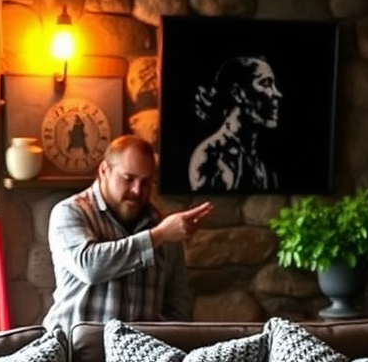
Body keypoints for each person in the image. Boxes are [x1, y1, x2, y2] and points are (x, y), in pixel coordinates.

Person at [43, 135, 212, 331]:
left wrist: (162, 345)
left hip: (139, 357)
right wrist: (159, 236)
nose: (137, 190)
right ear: (104, 170)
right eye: (128, 178)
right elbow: (89, 267)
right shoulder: (70, 212)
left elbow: (178, 303)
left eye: (146, 182)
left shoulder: (164, 227)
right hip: (75, 354)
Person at [188, 55, 282, 191]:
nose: (277, 94)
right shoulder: (212, 156)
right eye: (266, 84)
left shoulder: (261, 162)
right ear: (238, 93)